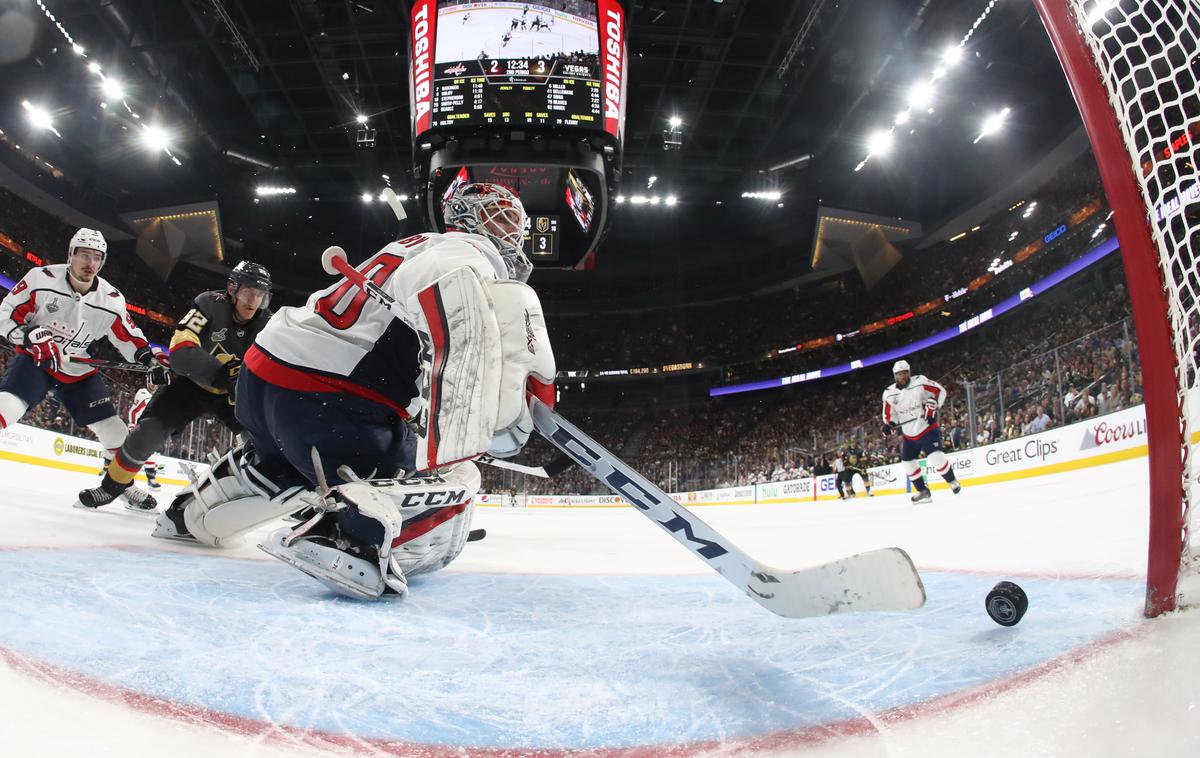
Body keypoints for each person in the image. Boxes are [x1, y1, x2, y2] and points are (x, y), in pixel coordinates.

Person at [154, 183, 555, 602]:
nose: (513, 231)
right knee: (456, 476)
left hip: (264, 379)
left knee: (281, 464)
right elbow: (458, 325)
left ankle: (191, 516)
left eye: (515, 221)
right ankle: (347, 535)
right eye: (502, 217)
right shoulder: (468, 254)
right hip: (328, 400)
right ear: (469, 217)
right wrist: (478, 419)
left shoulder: (412, 245)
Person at [78, 261, 273, 510]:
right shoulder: (208, 304)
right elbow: (180, 352)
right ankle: (110, 488)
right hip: (191, 386)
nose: (254, 301)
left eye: (260, 294)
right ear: (232, 289)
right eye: (249, 292)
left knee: (264, 442)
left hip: (233, 394)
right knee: (146, 434)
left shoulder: (268, 323)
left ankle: (269, 494)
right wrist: (226, 376)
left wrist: (246, 380)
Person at [0, 228, 167, 507]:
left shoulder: (111, 300)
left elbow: (129, 337)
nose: (91, 263)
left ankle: (122, 486)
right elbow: (5, 315)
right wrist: (28, 336)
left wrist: (149, 359)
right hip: (39, 360)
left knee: (114, 431)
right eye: (85, 255)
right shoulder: (41, 279)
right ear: (71, 255)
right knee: (7, 407)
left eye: (97, 258)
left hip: (77, 371)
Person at [881, 359, 960, 503]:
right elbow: (889, 415)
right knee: (907, 462)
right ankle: (923, 491)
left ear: (909, 373)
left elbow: (939, 391)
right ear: (894, 376)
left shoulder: (920, 382)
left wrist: (933, 405)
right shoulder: (889, 393)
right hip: (909, 435)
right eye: (899, 374)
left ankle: (952, 481)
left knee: (936, 457)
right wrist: (889, 425)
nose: (903, 377)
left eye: (905, 373)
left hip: (927, 428)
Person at [128, 384, 162, 490]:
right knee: (146, 453)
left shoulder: (161, 395)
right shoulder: (142, 393)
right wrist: (132, 425)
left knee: (156, 455)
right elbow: (134, 411)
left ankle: (151, 478)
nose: (153, 385)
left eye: (156, 383)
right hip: (142, 427)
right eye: (151, 382)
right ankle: (151, 479)